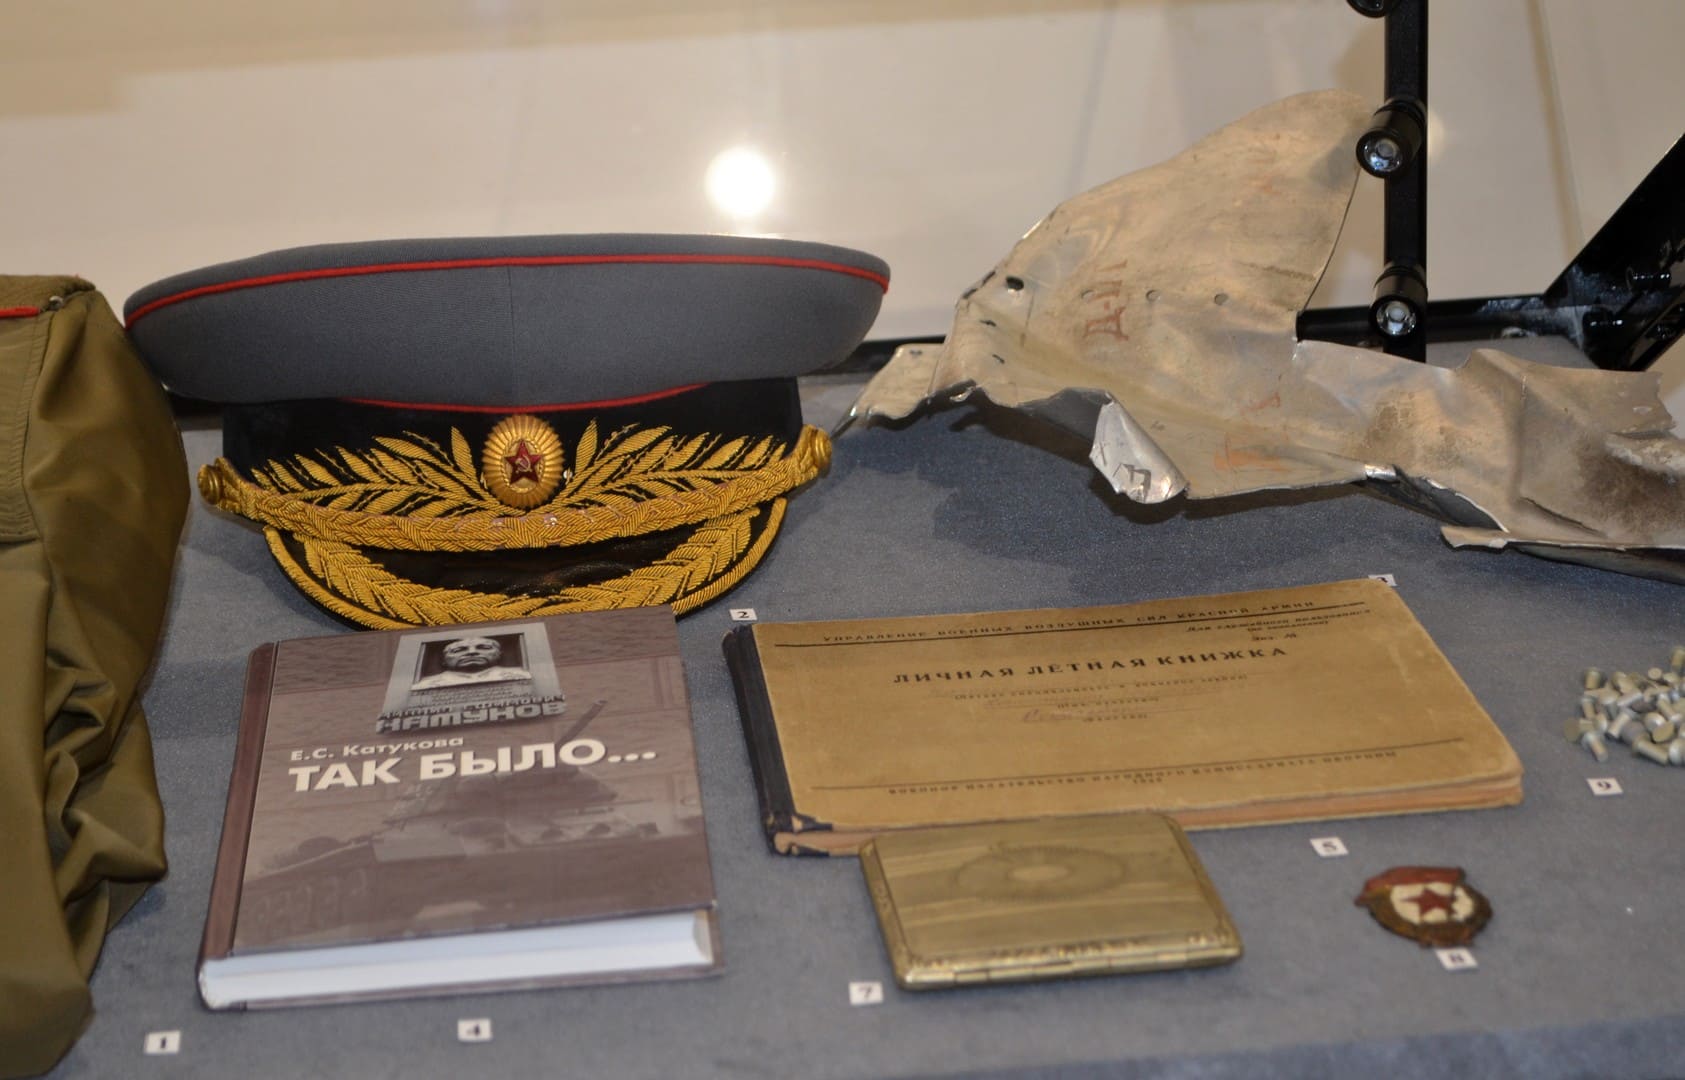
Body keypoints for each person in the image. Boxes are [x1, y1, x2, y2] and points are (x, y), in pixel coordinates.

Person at [410, 636, 531, 689]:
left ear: (499, 654)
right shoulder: (425, 684)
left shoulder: (521, 676)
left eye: (483, 648)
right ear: (443, 660)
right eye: (459, 650)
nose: (472, 652)